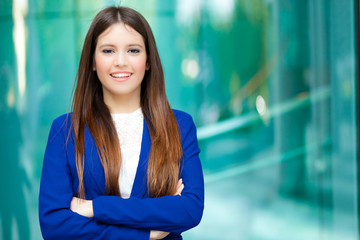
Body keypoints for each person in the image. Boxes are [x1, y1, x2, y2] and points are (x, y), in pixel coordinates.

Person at [39, 6, 204, 240]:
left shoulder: (179, 126)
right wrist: (146, 233)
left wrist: (95, 208)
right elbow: (54, 226)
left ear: (148, 61)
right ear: (93, 62)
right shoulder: (64, 131)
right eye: (108, 50)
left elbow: (190, 209)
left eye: (133, 50)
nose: (120, 61)